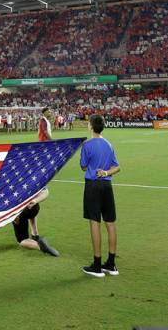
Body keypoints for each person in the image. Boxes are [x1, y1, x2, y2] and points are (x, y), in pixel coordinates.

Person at [80, 114, 120, 278]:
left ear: (90, 126)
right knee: (110, 223)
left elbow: (83, 167)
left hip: (93, 186)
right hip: (106, 185)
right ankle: (111, 264)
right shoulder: (108, 144)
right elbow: (117, 167)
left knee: (94, 223)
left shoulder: (87, 145)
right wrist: (105, 172)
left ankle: (97, 265)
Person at [12, 188, 59, 256]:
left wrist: (14, 216)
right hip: (34, 206)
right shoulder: (30, 179)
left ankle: (40, 246)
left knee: (22, 241)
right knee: (30, 213)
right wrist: (35, 201)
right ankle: (35, 235)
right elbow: (45, 192)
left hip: (20, 212)